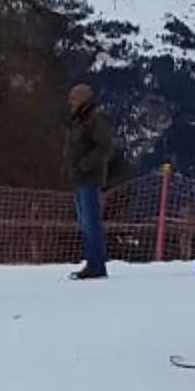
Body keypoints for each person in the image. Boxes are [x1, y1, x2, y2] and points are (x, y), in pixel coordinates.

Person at [65, 83, 114, 277]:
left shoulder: (95, 118)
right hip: (79, 178)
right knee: (85, 223)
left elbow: (104, 146)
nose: (70, 102)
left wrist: (85, 165)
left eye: (74, 98)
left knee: (91, 223)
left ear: (83, 99)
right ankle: (92, 261)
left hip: (89, 179)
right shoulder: (80, 120)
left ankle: (96, 264)